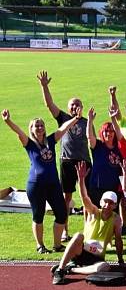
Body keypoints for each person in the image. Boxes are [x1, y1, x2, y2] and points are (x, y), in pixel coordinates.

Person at [2, 109, 78, 254]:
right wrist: (8, 121)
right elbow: (18, 131)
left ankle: (57, 245)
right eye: (36, 125)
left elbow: (63, 128)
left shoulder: (50, 140)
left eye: (41, 125)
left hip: (53, 184)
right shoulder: (29, 143)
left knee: (62, 213)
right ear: (31, 129)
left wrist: (75, 119)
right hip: (36, 185)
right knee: (38, 215)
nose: (40, 127)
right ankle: (40, 245)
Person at [51, 162, 125, 285]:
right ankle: (60, 269)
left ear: (115, 205)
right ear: (100, 202)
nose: (107, 205)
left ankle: (72, 269)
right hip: (82, 251)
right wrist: (81, 180)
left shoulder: (116, 219)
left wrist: (121, 260)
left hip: (97, 257)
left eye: (111, 203)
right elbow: (85, 198)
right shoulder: (94, 212)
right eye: (105, 202)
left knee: (104, 267)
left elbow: (118, 240)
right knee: (78, 236)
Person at [36, 70, 90, 239]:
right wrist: (44, 86)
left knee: (86, 197)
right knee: (67, 197)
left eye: (78, 104)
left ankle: (87, 230)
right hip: (67, 161)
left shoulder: (87, 121)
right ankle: (65, 230)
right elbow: (49, 105)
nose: (75, 107)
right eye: (72, 104)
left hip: (84, 161)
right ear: (68, 108)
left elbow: (92, 140)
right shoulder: (64, 118)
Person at [86, 107, 123, 207]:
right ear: (101, 133)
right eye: (106, 131)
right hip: (98, 187)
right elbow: (89, 137)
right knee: (97, 213)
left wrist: (113, 118)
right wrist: (90, 121)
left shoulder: (119, 148)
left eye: (111, 131)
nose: (109, 133)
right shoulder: (98, 145)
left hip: (114, 187)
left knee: (112, 216)